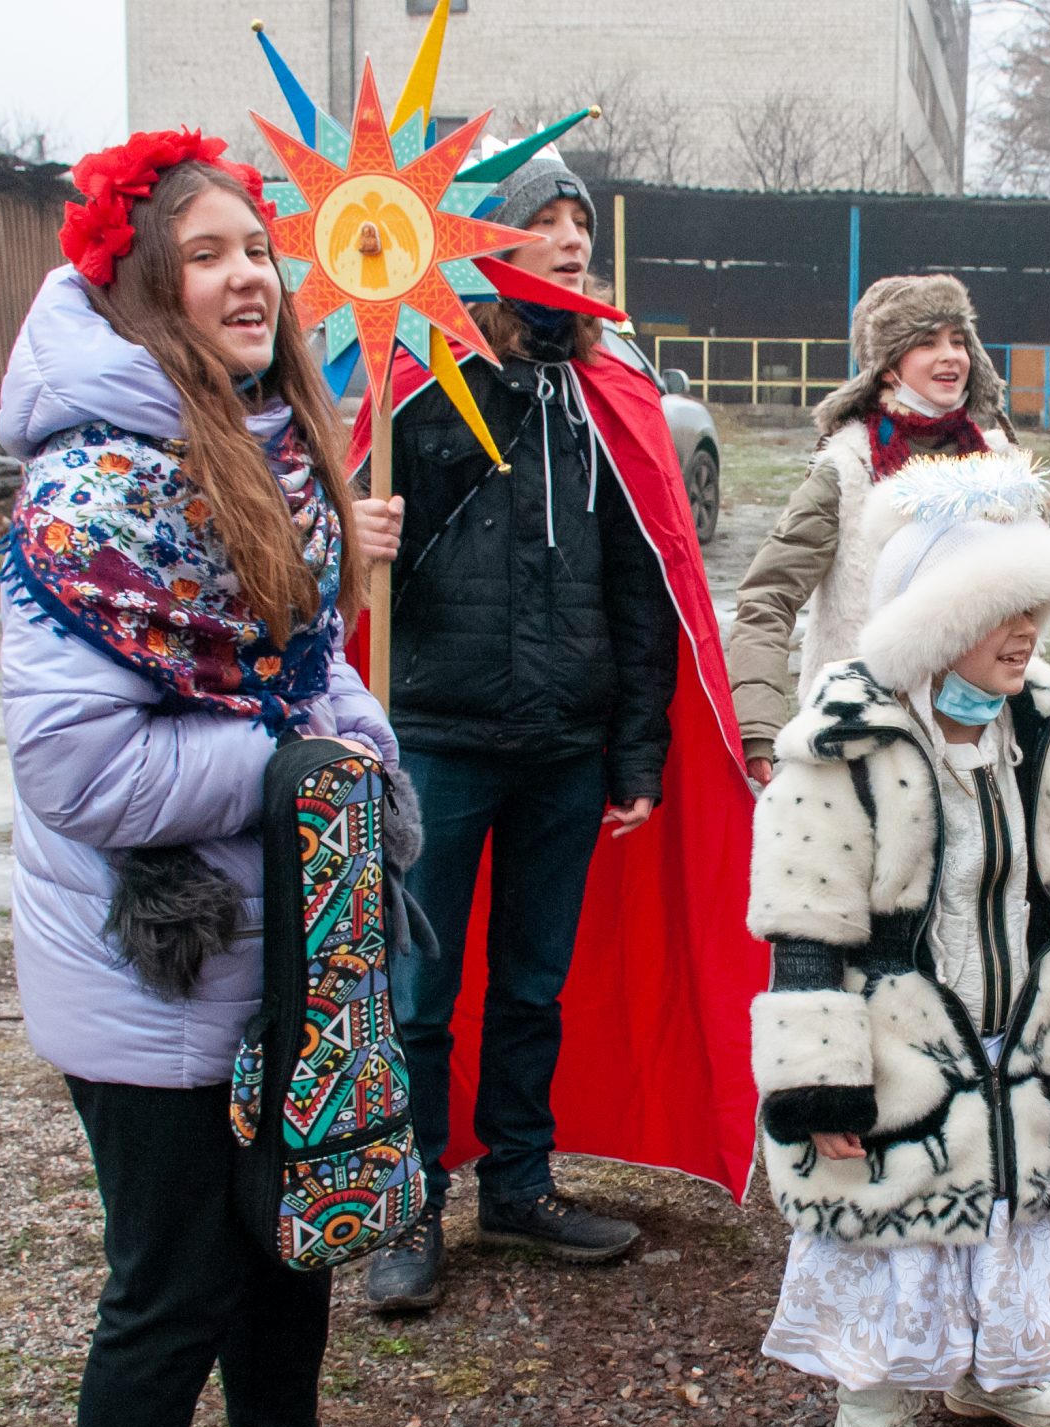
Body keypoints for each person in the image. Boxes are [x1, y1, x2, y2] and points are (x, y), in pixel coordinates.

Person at [0, 129, 432, 1427]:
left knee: (284, 1232)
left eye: (262, 247)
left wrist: (362, 750)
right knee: (168, 1282)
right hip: (150, 952)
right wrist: (294, 768)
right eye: (210, 253)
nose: (251, 272)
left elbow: (309, 663)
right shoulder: (94, 488)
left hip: (280, 929)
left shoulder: (273, 448)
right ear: (144, 285)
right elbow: (78, 763)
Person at [745, 450, 1050, 1427]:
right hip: (899, 1031)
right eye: (1001, 613)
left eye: (1036, 607)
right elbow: (806, 920)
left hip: (1024, 1031)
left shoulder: (1045, 726)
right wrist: (822, 1086)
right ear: (937, 622)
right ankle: (876, 1411)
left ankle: (998, 1372)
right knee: (896, 1219)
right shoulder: (842, 744)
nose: (1027, 633)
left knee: (1016, 1206)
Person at [362, 147, 679, 1312]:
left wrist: (633, 747)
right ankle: (407, 1208)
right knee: (416, 993)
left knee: (534, 982)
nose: (571, 237)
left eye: (581, 223)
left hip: (564, 741)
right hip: (439, 734)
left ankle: (519, 1183)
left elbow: (648, 579)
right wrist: (476, 374)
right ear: (491, 247)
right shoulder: (421, 383)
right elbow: (385, 531)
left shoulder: (612, 393)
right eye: (543, 222)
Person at [728, 273, 1050, 781]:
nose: (951, 355)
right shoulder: (847, 469)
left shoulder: (998, 464)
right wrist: (758, 726)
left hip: (981, 728)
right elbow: (768, 596)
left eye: (958, 339)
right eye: (926, 342)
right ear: (886, 369)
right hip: (870, 730)